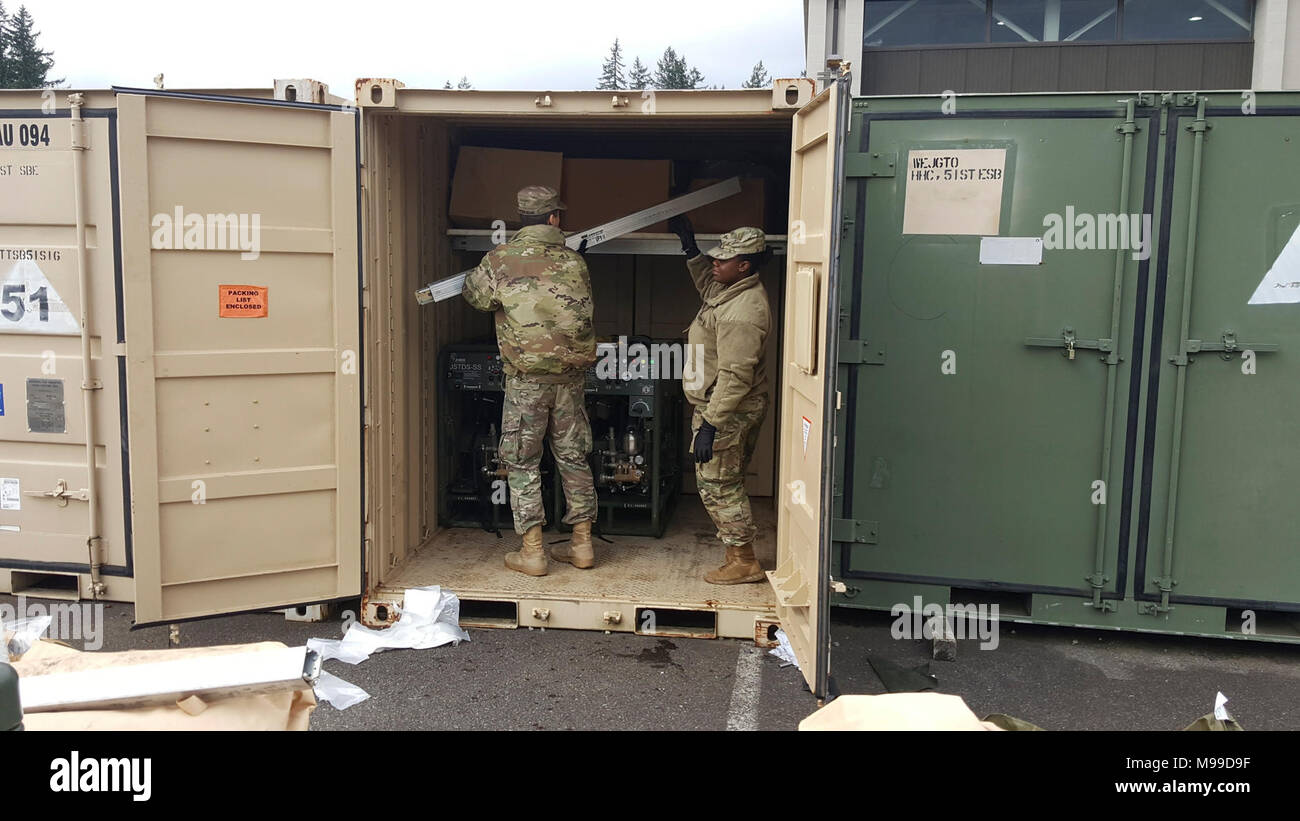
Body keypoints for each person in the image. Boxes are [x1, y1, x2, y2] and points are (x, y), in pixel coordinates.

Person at [463, 185, 598, 576]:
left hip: (526, 382)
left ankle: (534, 551)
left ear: (521, 218)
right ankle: (582, 546)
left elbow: (477, 298)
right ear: (554, 218)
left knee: (522, 461)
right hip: (571, 380)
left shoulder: (499, 259)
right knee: (574, 458)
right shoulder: (575, 262)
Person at [668, 216, 771, 585]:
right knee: (724, 481)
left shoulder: (743, 313)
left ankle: (744, 560)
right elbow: (708, 288)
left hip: (727, 410)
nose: (716, 263)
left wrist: (711, 424)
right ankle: (735, 554)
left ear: (744, 266)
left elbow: (735, 376)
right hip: (722, 407)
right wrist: (692, 252)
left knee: (718, 485)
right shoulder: (731, 292)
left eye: (722, 259)